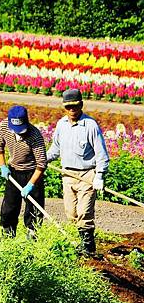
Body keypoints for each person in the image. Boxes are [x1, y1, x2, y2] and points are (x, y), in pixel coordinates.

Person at [47, 88, 109, 255]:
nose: (72, 110)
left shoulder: (90, 125)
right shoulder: (61, 125)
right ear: (64, 108)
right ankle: (79, 245)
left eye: (75, 106)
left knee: (84, 212)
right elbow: (55, 149)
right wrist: (42, 159)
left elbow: (101, 152)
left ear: (81, 105)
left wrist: (100, 175)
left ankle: (89, 249)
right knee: (71, 213)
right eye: (68, 107)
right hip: (68, 175)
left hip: (87, 175)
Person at [0, 105, 47, 239]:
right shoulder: (4, 127)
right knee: (9, 207)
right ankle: (8, 235)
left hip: (32, 172)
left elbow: (41, 164)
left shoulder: (35, 135)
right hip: (13, 172)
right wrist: (3, 166)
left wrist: (31, 184)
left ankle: (32, 236)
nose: (19, 133)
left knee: (34, 209)